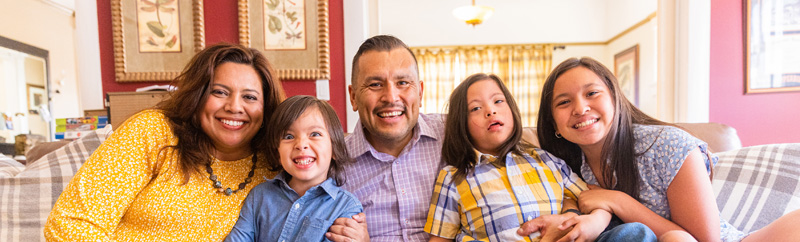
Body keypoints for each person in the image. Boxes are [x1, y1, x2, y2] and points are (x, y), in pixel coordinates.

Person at [528, 57, 800, 242]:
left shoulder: (667, 145)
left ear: (615, 99)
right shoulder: (563, 167)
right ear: (553, 123)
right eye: (564, 102)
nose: (580, 108)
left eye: (592, 93)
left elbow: (702, 240)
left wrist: (619, 202)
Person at [44, 43, 286, 241]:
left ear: (266, 109)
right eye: (219, 92)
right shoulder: (153, 131)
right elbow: (70, 225)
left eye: (249, 97)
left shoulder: (278, 163)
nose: (234, 107)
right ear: (198, 96)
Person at [425, 73, 612, 242]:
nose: (490, 111)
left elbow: (592, 200)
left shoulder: (546, 160)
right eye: (475, 108)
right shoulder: (453, 177)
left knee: (632, 232)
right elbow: (440, 239)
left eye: (498, 101)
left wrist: (586, 218)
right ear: (461, 124)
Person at [324, 35, 446, 242]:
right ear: (353, 97)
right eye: (375, 84)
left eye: (403, 83)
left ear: (421, 92)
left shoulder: (455, 134)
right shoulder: (330, 162)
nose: (391, 97)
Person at [225, 95, 362, 242]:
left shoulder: (345, 207)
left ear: (334, 148)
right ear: (277, 152)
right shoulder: (259, 196)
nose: (301, 144)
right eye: (289, 136)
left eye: (315, 134)